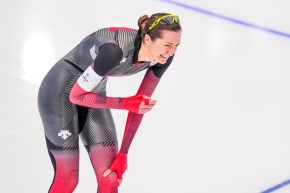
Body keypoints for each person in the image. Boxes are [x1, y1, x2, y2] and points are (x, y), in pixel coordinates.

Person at [38, 12, 182, 193]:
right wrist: (125, 103)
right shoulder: (115, 50)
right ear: (147, 39)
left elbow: (138, 105)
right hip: (59, 93)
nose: (172, 52)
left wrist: (124, 152)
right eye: (168, 45)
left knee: (110, 178)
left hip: (93, 94)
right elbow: (76, 96)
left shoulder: (163, 57)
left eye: (177, 45)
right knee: (68, 179)